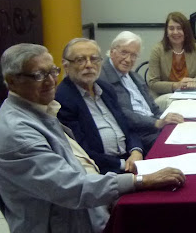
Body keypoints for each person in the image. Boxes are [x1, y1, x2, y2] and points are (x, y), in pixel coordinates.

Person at [0, 43, 185, 233]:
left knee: (171, 210)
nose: (50, 81)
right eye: (38, 75)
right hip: (61, 230)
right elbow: (72, 189)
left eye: (52, 72)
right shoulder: (16, 134)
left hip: (82, 203)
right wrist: (139, 181)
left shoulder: (39, 109)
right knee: (168, 229)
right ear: (12, 81)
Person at [56, 38, 145, 175]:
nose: (89, 65)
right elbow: (81, 151)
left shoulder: (106, 89)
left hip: (131, 161)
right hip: (104, 172)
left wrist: (136, 150)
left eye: (94, 59)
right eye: (80, 60)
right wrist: (123, 164)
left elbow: (127, 127)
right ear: (66, 65)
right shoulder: (63, 99)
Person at [98, 31, 185, 153]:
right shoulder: (102, 78)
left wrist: (166, 118)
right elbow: (120, 113)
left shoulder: (133, 76)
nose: (128, 59)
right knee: (178, 148)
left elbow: (153, 107)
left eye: (134, 55)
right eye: (124, 52)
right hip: (138, 134)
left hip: (153, 126)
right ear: (112, 51)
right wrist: (157, 122)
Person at [147, 11, 196, 110]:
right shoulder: (157, 50)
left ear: (186, 31)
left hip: (189, 96)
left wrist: (195, 82)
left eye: (179, 28)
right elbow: (153, 83)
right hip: (163, 96)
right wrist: (175, 85)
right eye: (171, 28)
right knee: (177, 105)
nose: (175, 32)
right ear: (166, 31)